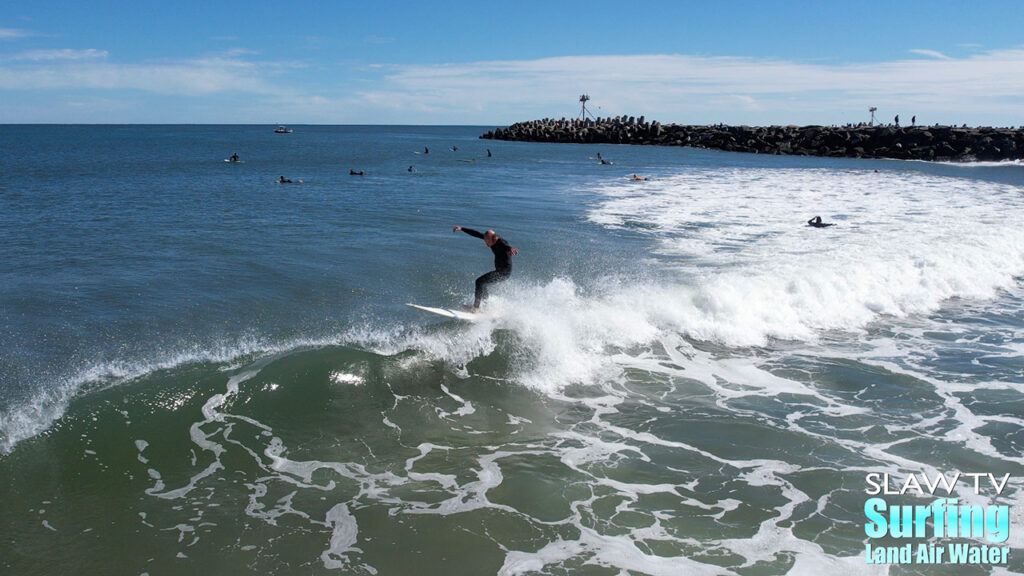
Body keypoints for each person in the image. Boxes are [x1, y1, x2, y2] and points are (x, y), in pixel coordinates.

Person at [452, 226, 518, 311]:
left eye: (487, 241)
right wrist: (461, 228)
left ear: (494, 239)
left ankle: (475, 308)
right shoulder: (489, 238)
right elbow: (476, 233)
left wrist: (511, 249)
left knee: (479, 282)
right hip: (499, 271)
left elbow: (506, 246)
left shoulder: (501, 243)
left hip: (504, 273)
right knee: (483, 285)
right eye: (485, 240)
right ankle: (486, 306)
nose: (486, 243)